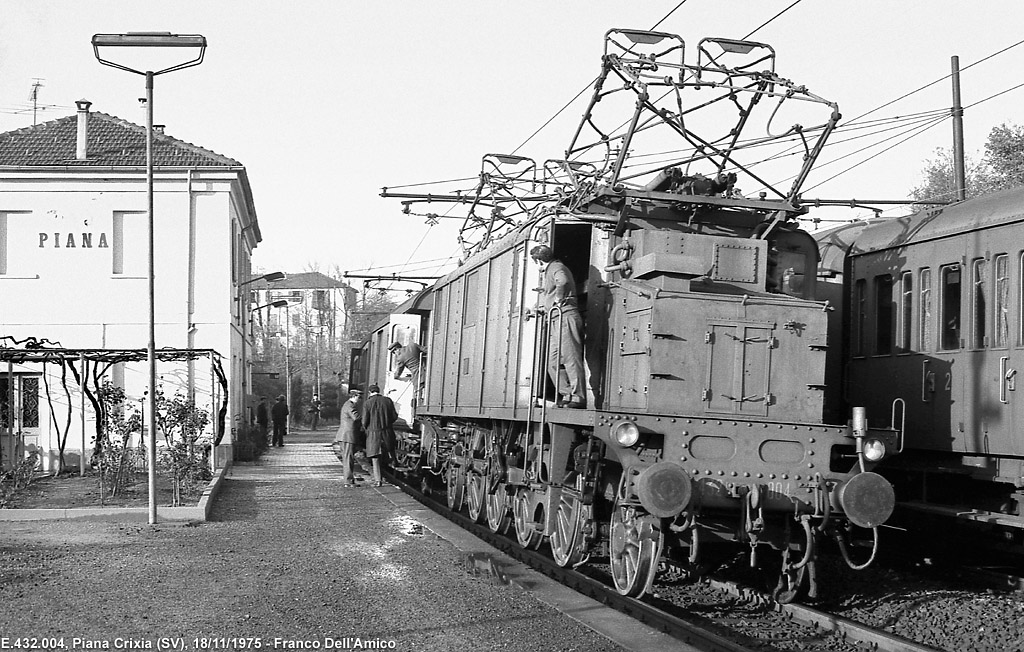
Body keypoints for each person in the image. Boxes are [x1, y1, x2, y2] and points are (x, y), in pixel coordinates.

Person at [530, 244, 585, 408]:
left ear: (539, 261)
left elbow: (563, 281)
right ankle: (566, 393)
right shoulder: (551, 270)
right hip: (555, 319)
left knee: (570, 358)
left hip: (565, 317)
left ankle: (578, 396)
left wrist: (558, 299)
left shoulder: (556, 267)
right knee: (552, 362)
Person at [361, 383, 398, 487]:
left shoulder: (367, 403)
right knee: (390, 451)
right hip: (387, 431)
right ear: (378, 390)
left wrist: (366, 428)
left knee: (375, 457)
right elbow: (394, 416)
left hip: (373, 433)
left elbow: (364, 421)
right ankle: (395, 466)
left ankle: (378, 480)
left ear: (370, 392)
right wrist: (387, 422)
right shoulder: (388, 401)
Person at [334, 389, 363, 487]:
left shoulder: (348, 404)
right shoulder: (350, 405)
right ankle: (348, 481)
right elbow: (356, 417)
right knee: (348, 459)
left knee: (348, 458)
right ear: (355, 396)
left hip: (346, 436)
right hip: (347, 436)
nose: (360, 400)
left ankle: (349, 479)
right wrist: (365, 417)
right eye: (359, 397)